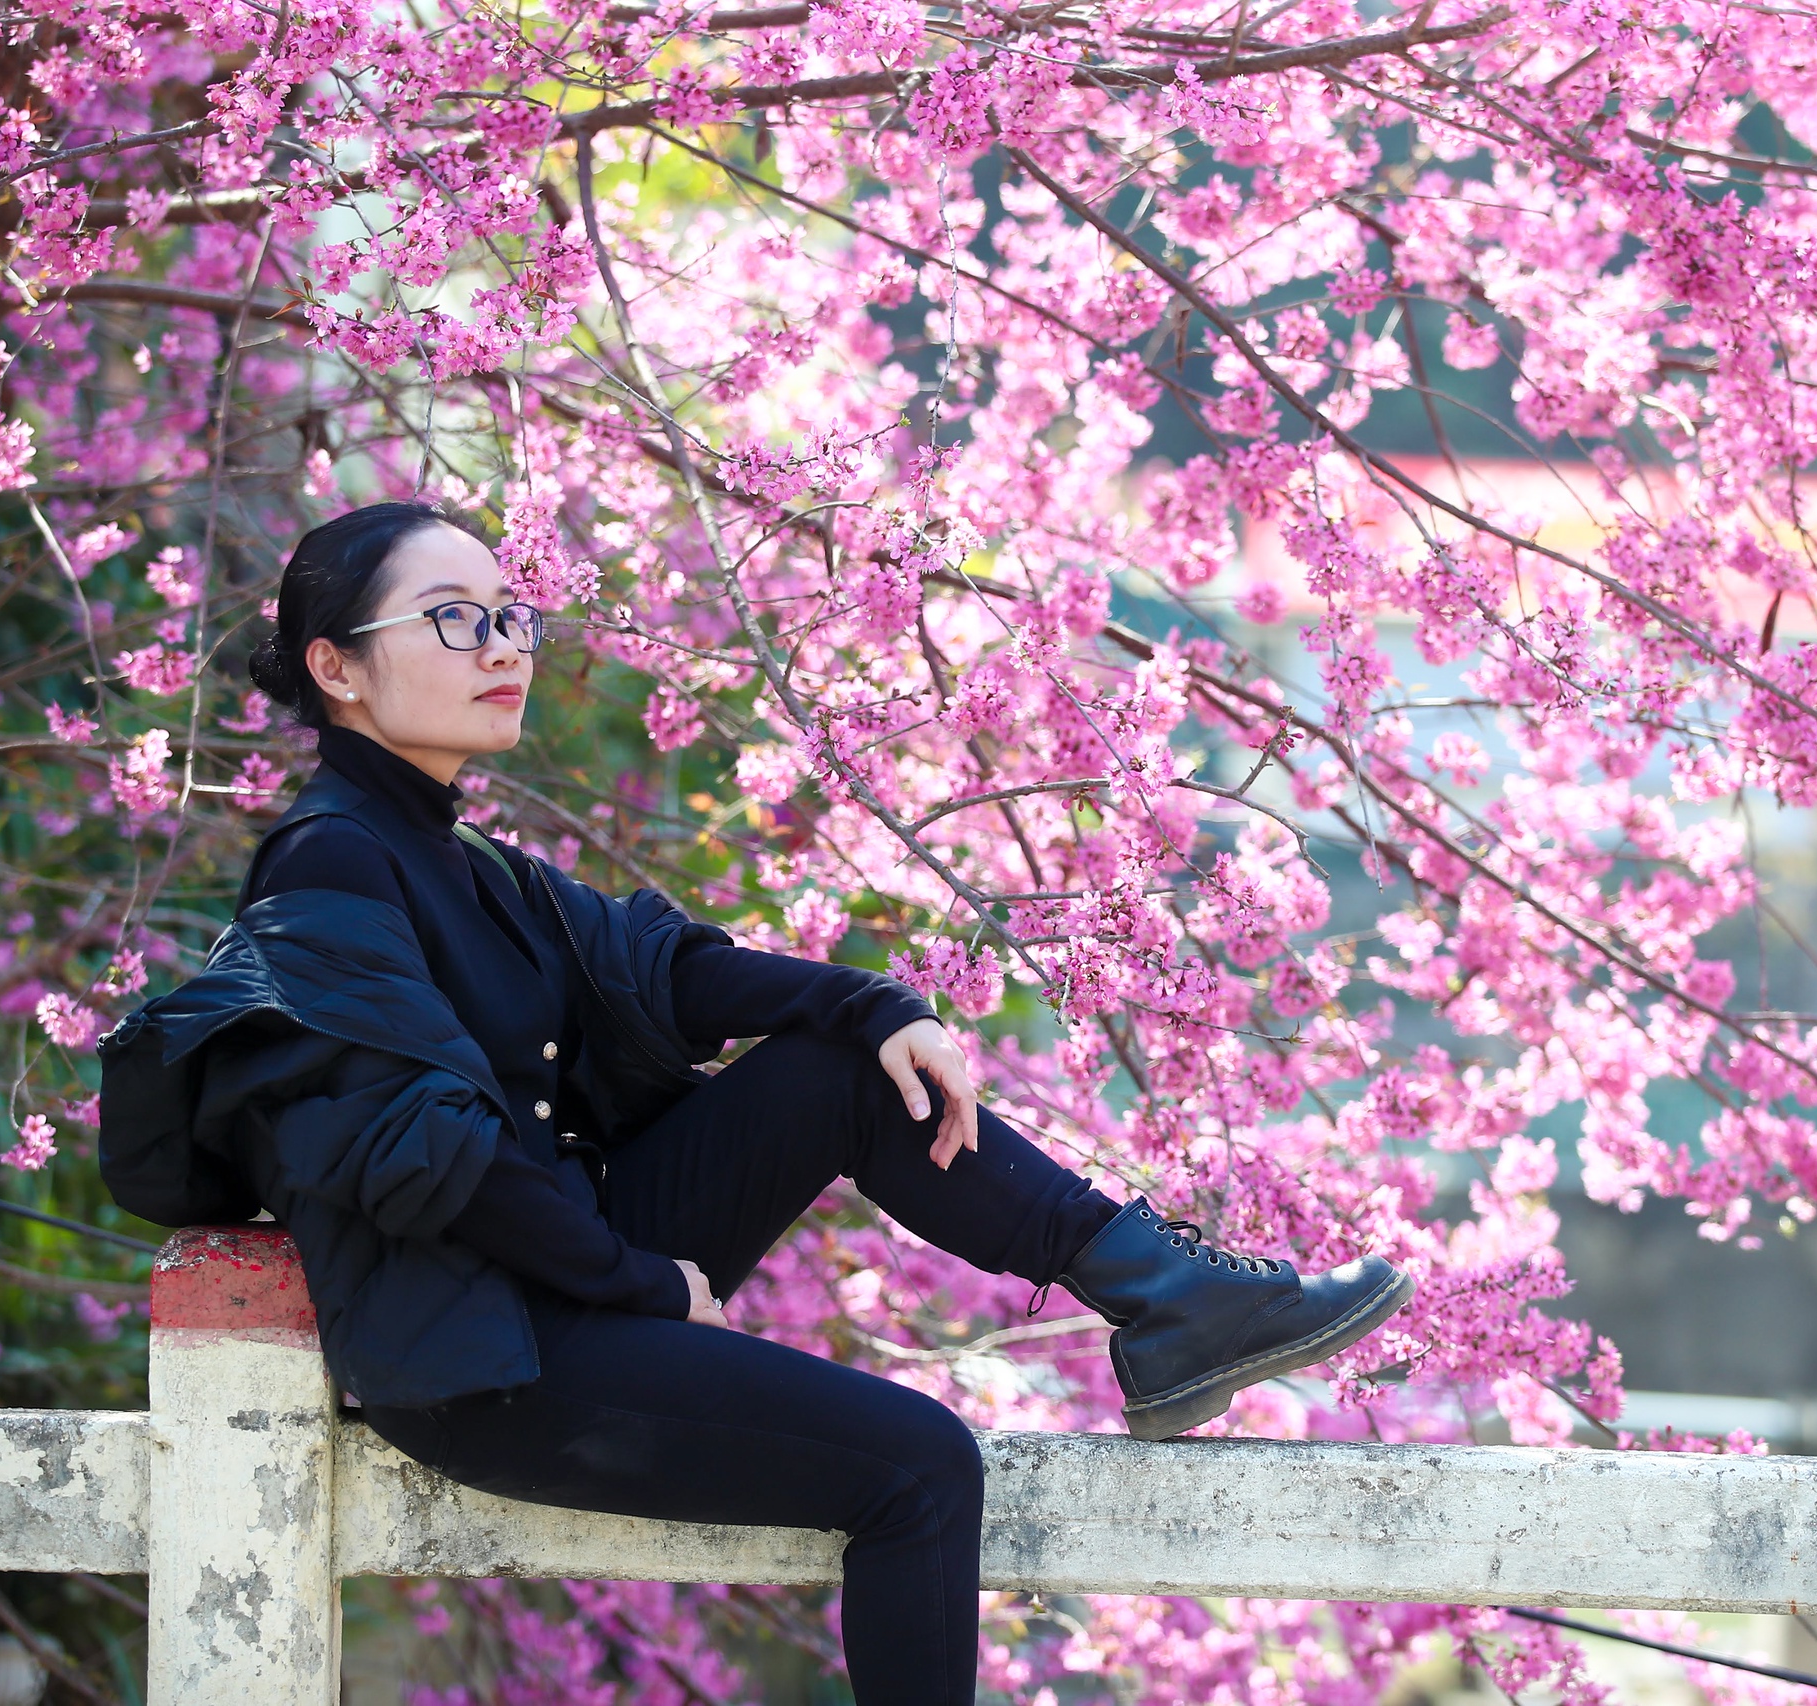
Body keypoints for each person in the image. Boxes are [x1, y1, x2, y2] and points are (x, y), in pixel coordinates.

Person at [98, 499, 1412, 1704]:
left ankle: (1163, 1294)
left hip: (565, 1274)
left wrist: (878, 1004)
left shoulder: (467, 858)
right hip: (487, 1357)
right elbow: (425, 1158)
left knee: (838, 1067)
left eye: (512, 615)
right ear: (335, 665)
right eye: (456, 619)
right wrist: (637, 1281)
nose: (504, 646)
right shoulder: (329, 863)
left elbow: (662, 968)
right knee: (922, 1468)